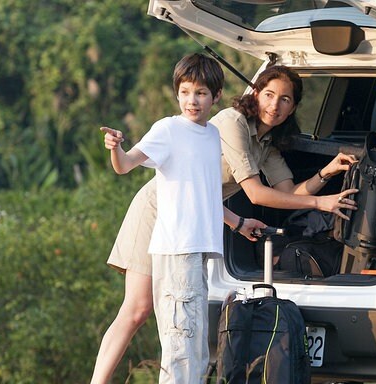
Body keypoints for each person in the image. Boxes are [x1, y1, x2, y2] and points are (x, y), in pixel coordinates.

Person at [90, 64, 358, 383]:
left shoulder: (266, 145)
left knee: (161, 317)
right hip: (160, 209)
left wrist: (327, 172)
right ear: (254, 94)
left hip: (200, 214)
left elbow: (287, 193)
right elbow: (257, 194)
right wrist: (320, 202)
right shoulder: (230, 123)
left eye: (285, 99)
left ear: (294, 107)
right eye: (269, 94)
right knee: (137, 310)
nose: (275, 105)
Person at [99, 52, 231, 383]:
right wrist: (115, 147)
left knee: (196, 349)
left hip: (199, 252)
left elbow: (206, 196)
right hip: (176, 250)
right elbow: (125, 165)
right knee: (181, 346)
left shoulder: (212, 134)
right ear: (176, 93)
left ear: (216, 96)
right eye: (185, 92)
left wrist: (237, 224)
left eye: (201, 93)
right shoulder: (169, 129)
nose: (192, 100)